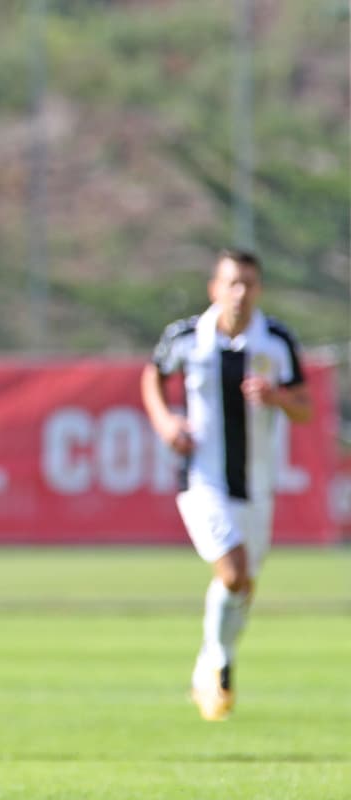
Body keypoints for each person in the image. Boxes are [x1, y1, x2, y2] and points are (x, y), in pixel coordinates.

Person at [140, 248, 311, 722]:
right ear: (214, 288)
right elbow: (152, 376)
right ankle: (216, 664)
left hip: (257, 484)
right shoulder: (186, 337)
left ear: (259, 289)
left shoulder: (276, 340)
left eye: (249, 283)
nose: (240, 292)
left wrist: (277, 398)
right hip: (202, 480)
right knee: (233, 572)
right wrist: (165, 423)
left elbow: (305, 406)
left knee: (244, 585)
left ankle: (214, 664)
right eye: (232, 282)